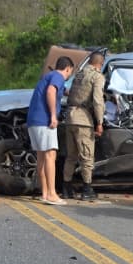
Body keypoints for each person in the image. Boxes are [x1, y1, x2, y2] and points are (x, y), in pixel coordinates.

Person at [26, 56, 75, 205]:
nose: (68, 76)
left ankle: (45, 193)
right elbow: (51, 92)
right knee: (50, 155)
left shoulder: (48, 76)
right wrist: (53, 116)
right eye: (70, 73)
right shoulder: (58, 76)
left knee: (41, 157)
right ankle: (53, 194)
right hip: (44, 121)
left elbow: (59, 90)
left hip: (33, 121)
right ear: (67, 69)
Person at [61, 52, 106, 201]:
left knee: (71, 156)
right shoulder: (97, 76)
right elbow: (98, 100)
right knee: (87, 156)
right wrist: (100, 122)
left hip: (70, 117)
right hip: (83, 120)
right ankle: (87, 189)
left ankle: (66, 187)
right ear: (100, 64)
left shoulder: (79, 74)